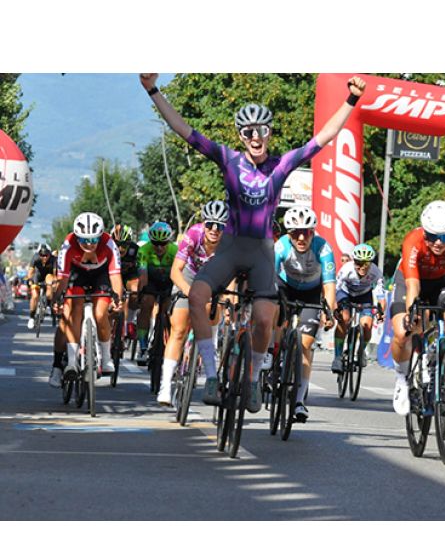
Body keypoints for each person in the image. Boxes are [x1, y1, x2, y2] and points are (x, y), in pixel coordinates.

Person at [139, 73, 367, 409]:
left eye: (261, 131)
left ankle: (254, 377)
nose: (255, 137)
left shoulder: (283, 164)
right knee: (198, 295)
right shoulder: (228, 159)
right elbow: (182, 129)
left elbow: (326, 136)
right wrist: (152, 90)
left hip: (261, 250)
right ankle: (213, 374)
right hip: (231, 247)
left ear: (269, 133)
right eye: (248, 132)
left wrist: (351, 99)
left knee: (263, 319)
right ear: (241, 136)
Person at [389, 200, 445, 416]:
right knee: (403, 332)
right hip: (411, 281)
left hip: (441, 283)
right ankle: (402, 379)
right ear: (424, 231)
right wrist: (411, 313)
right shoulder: (413, 240)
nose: (438, 242)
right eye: (432, 236)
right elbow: (413, 285)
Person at [156, 201, 228, 406]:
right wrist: (190, 293)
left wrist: (229, 298)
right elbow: (175, 271)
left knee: (213, 316)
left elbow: (231, 275)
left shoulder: (228, 244)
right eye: (211, 224)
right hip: (187, 276)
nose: (215, 229)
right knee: (178, 328)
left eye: (220, 226)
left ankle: (209, 348)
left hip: (211, 278)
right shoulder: (193, 235)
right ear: (204, 224)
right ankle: (165, 386)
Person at [274, 205, 337, 421]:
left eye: (306, 232)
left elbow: (329, 286)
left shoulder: (323, 249)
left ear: (313, 232)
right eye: (295, 233)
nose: (301, 237)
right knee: (273, 307)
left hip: (311, 293)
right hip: (286, 287)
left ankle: (299, 400)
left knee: (306, 344)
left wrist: (329, 313)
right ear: (289, 234)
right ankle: (271, 353)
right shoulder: (280, 246)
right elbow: (269, 277)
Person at [51, 212, 123, 381]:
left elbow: (115, 277)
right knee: (74, 310)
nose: (89, 244)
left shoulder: (109, 244)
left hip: (101, 275)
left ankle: (106, 358)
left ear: (101, 237)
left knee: (100, 314)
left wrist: (118, 299)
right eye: (84, 240)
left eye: (94, 240)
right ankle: (70, 363)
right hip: (77, 274)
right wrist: (56, 300)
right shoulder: (68, 245)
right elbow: (62, 279)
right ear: (77, 237)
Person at [331, 243, 385, 374]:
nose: (361, 267)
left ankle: (361, 352)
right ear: (353, 261)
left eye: (365, 264)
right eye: (358, 263)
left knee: (367, 325)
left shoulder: (376, 272)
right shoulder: (346, 269)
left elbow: (380, 294)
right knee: (344, 319)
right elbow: (335, 289)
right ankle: (337, 357)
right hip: (345, 293)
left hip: (363, 295)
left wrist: (381, 311)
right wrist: (334, 308)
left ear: (370, 263)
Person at [135, 221, 178, 365]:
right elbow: (143, 276)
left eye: (163, 243)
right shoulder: (144, 250)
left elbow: (179, 273)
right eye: (155, 243)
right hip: (151, 280)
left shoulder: (175, 251)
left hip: (168, 281)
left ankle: (167, 342)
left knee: (169, 310)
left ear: (168, 241)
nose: (159, 247)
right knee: (146, 304)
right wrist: (141, 293)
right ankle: (142, 346)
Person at [111, 224, 140, 342]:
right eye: (117, 244)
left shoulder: (136, 250)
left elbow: (142, 271)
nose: (120, 248)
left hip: (129, 276)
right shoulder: (108, 248)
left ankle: (129, 322)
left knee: (134, 290)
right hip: (113, 276)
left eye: (124, 245)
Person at [26, 243, 57, 329]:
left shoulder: (53, 259)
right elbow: (30, 272)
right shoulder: (35, 258)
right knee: (35, 295)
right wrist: (30, 280)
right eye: (42, 255)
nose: (44, 257)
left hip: (48, 276)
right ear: (38, 254)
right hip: (38, 276)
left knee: (50, 282)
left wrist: (55, 282)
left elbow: (55, 274)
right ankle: (31, 317)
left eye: (46, 255)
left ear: (50, 254)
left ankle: (47, 305)